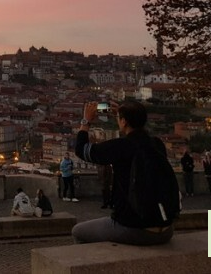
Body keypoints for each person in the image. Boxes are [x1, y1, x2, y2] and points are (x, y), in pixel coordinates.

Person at [72, 100, 175, 245]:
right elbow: (141, 138)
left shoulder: (121, 146)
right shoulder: (157, 144)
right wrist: (123, 116)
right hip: (165, 229)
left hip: (134, 228)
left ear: (124, 121)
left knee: (78, 231)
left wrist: (86, 121)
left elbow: (81, 150)